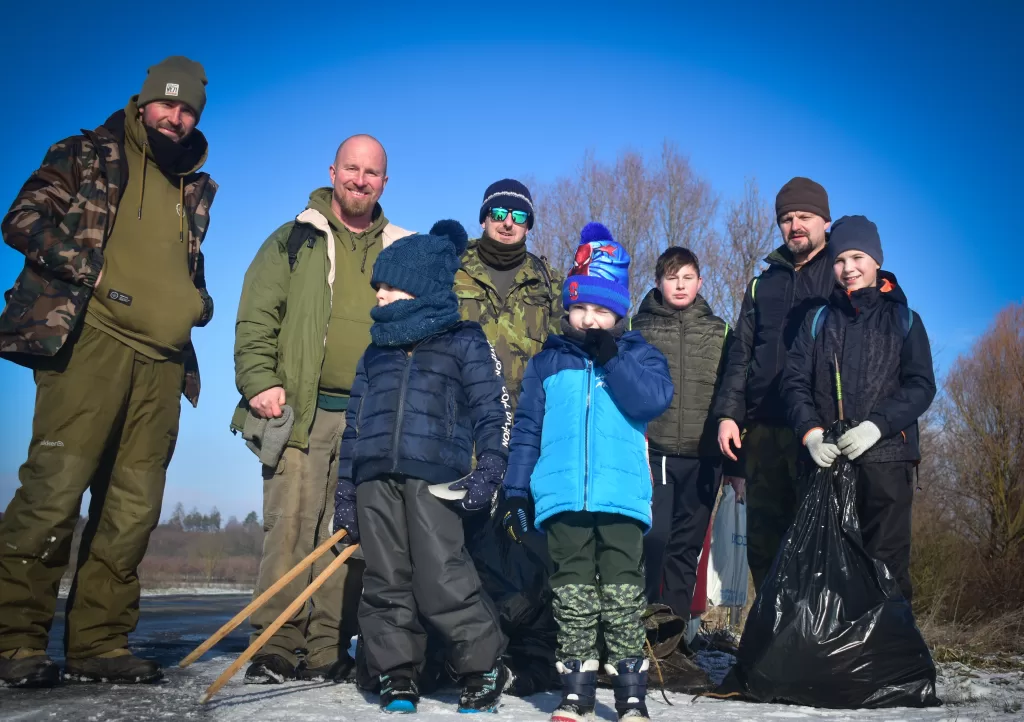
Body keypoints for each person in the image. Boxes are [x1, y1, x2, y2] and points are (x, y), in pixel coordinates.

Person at [0, 56, 216, 687]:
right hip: (90, 344)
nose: (176, 117)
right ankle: (14, 642)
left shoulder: (193, 185)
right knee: (54, 491)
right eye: (167, 104)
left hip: (164, 365)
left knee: (132, 510)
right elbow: (21, 219)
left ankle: (98, 642)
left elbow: (180, 265)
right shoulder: (87, 151)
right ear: (144, 102)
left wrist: (194, 302)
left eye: (188, 109)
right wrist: (94, 276)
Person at [231, 135, 412, 684]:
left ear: (385, 182)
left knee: (347, 536)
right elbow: (256, 315)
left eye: (372, 172)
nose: (360, 179)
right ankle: (275, 644)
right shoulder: (294, 239)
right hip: (301, 413)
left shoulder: (404, 249)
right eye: (351, 169)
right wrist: (259, 380)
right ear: (333, 171)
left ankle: (327, 647)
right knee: (290, 528)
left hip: (370, 420)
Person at [332, 220, 511, 714]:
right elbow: (354, 423)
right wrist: (346, 489)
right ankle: (397, 673)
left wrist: (491, 466)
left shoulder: (463, 339)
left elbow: (492, 409)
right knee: (385, 579)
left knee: (442, 577)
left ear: (421, 287)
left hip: (435, 479)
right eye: (379, 286)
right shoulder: (375, 349)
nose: (381, 294)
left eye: (390, 285)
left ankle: (483, 667)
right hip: (374, 480)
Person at [501, 223, 674, 722]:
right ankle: (575, 690)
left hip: (620, 497)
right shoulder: (548, 363)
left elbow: (653, 400)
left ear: (618, 313)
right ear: (568, 309)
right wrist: (516, 492)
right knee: (573, 594)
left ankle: (630, 694)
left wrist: (612, 359)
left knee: (621, 594)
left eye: (603, 311)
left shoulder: (639, 355)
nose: (591, 320)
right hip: (561, 500)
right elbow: (528, 429)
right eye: (582, 308)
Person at [781, 215, 935, 602]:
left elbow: (921, 386)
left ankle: (889, 659)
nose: (848, 269)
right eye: (839, 260)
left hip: (888, 461)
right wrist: (812, 434)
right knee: (825, 570)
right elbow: (793, 382)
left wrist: (877, 426)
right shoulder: (817, 320)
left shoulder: (905, 320)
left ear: (876, 260)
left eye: (857, 257)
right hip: (827, 466)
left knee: (886, 569)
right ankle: (830, 660)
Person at [711, 177, 837, 592]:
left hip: (818, 430)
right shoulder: (762, 283)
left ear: (825, 220)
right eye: (786, 218)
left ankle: (812, 645)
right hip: (763, 428)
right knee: (764, 543)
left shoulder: (841, 273)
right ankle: (768, 643)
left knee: (818, 543)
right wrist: (729, 414)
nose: (794, 225)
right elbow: (740, 354)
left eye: (804, 216)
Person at [630, 247, 737, 690]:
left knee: (685, 550)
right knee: (652, 541)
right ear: (657, 281)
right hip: (652, 453)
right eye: (671, 276)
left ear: (700, 282)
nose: (679, 284)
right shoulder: (635, 327)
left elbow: (734, 394)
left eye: (688, 276)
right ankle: (635, 637)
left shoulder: (720, 330)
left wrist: (737, 464)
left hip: (704, 455)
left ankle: (668, 645)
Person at [454, 178, 562, 410]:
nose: (508, 223)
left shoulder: (550, 282)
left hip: (523, 425)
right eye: (499, 214)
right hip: (459, 419)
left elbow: (561, 355)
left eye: (520, 216)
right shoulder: (452, 268)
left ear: (528, 227)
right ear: (484, 220)